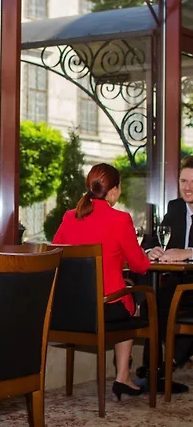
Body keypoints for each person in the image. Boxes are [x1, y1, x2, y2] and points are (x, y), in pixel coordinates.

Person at [53, 163, 150, 400]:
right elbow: (141, 266)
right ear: (114, 190)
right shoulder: (120, 219)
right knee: (133, 300)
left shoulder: (69, 216)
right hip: (104, 307)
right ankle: (123, 377)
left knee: (126, 293)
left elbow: (53, 256)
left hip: (68, 309)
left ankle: (123, 377)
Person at [139, 155, 193, 391]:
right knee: (152, 301)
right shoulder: (175, 207)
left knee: (172, 302)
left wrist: (188, 252)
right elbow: (155, 239)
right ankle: (154, 368)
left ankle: (167, 364)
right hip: (178, 282)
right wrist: (152, 250)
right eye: (183, 181)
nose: (187, 187)